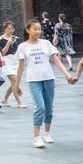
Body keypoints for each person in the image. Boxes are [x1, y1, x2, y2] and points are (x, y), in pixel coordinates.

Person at [15, 19, 70, 147]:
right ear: (28, 30)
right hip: (34, 80)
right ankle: (36, 137)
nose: (38, 31)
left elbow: (56, 60)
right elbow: (20, 67)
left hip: (48, 78)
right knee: (40, 107)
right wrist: (16, 85)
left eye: (39, 29)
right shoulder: (23, 47)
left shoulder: (46, 43)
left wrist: (67, 74)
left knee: (49, 109)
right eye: (35, 29)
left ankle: (47, 133)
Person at [0, 20, 23, 108]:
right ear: (5, 29)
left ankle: (5, 98)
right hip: (7, 61)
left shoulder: (17, 39)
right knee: (15, 81)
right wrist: (8, 43)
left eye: (12, 29)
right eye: (9, 29)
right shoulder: (0, 40)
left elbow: (20, 50)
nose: (11, 30)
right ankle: (19, 102)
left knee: (13, 82)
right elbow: (2, 53)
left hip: (15, 61)